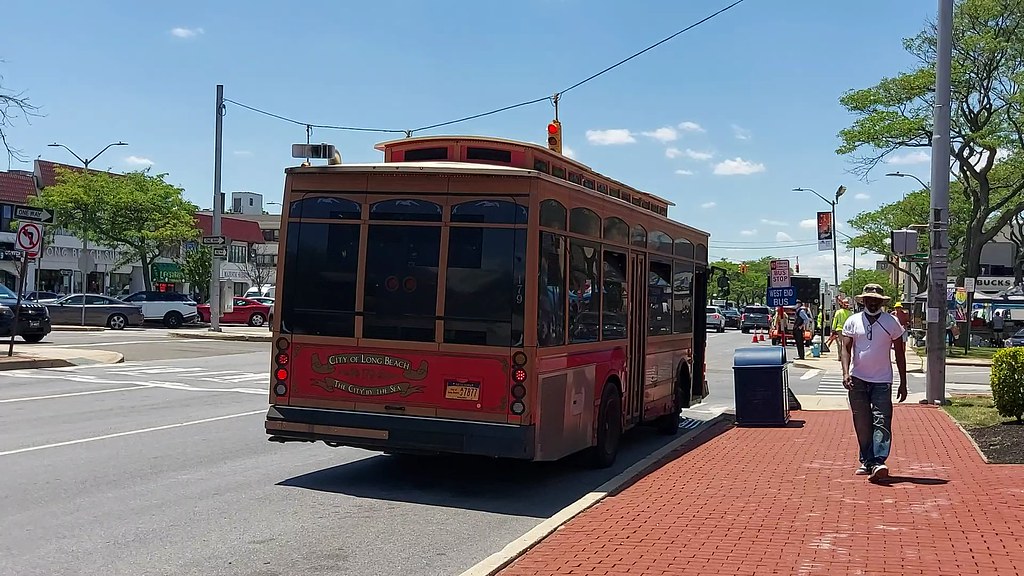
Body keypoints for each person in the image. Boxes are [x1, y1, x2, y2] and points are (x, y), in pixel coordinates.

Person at [840, 283, 908, 482]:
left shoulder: (892, 322)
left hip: (882, 380)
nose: (872, 302)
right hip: (857, 379)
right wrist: (845, 373)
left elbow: (900, 354)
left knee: (882, 420)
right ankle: (867, 460)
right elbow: (845, 348)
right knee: (862, 421)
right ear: (863, 301)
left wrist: (903, 382)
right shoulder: (853, 321)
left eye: (876, 300)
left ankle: (879, 460)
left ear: (881, 302)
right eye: (869, 299)